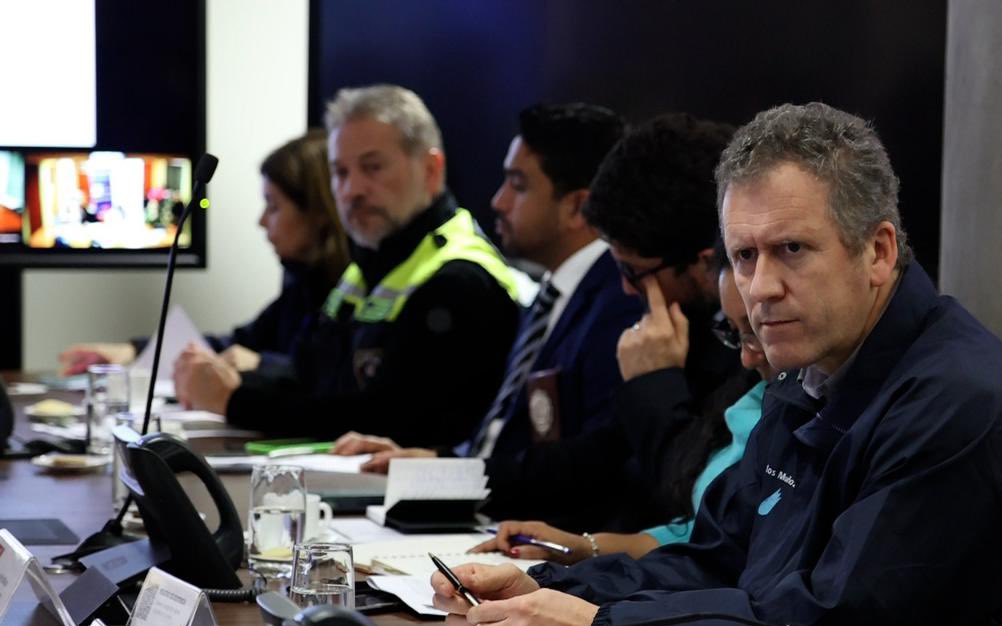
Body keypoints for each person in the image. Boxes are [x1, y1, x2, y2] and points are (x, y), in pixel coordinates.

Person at [431, 103, 1002, 626]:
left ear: (878, 252)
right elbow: (719, 559)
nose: (760, 288)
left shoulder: (959, 402)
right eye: (744, 256)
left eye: (791, 250)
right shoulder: (810, 372)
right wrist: (546, 586)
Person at [336, 114, 740, 533]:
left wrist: (655, 383)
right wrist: (444, 468)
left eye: (519, 184)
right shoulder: (634, 302)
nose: (625, 287)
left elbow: (643, 481)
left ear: (705, 263)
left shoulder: (655, 321)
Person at [174, 85, 522, 448]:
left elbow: (387, 418)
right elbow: (311, 380)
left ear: (431, 170)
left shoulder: (461, 278)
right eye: (340, 172)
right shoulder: (367, 267)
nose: (352, 189)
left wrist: (235, 401)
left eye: (372, 168)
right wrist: (234, 381)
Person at [333, 102, 640, 466]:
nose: (498, 202)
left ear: (578, 208)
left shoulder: (619, 304)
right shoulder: (551, 297)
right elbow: (502, 443)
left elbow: (586, 466)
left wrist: (455, 476)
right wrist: (431, 462)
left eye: (518, 185)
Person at [472, 247, 769, 563]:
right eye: (734, 332)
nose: (746, 357)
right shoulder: (752, 396)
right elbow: (700, 532)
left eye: (632, 271)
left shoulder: (774, 400)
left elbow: (690, 512)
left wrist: (654, 382)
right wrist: (580, 547)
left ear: (703, 263)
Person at [57, 130, 348, 377]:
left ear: (319, 210)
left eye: (273, 206)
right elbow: (236, 344)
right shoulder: (300, 283)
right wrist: (133, 350)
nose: (261, 221)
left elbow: (336, 381)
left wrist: (262, 365)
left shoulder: (352, 290)